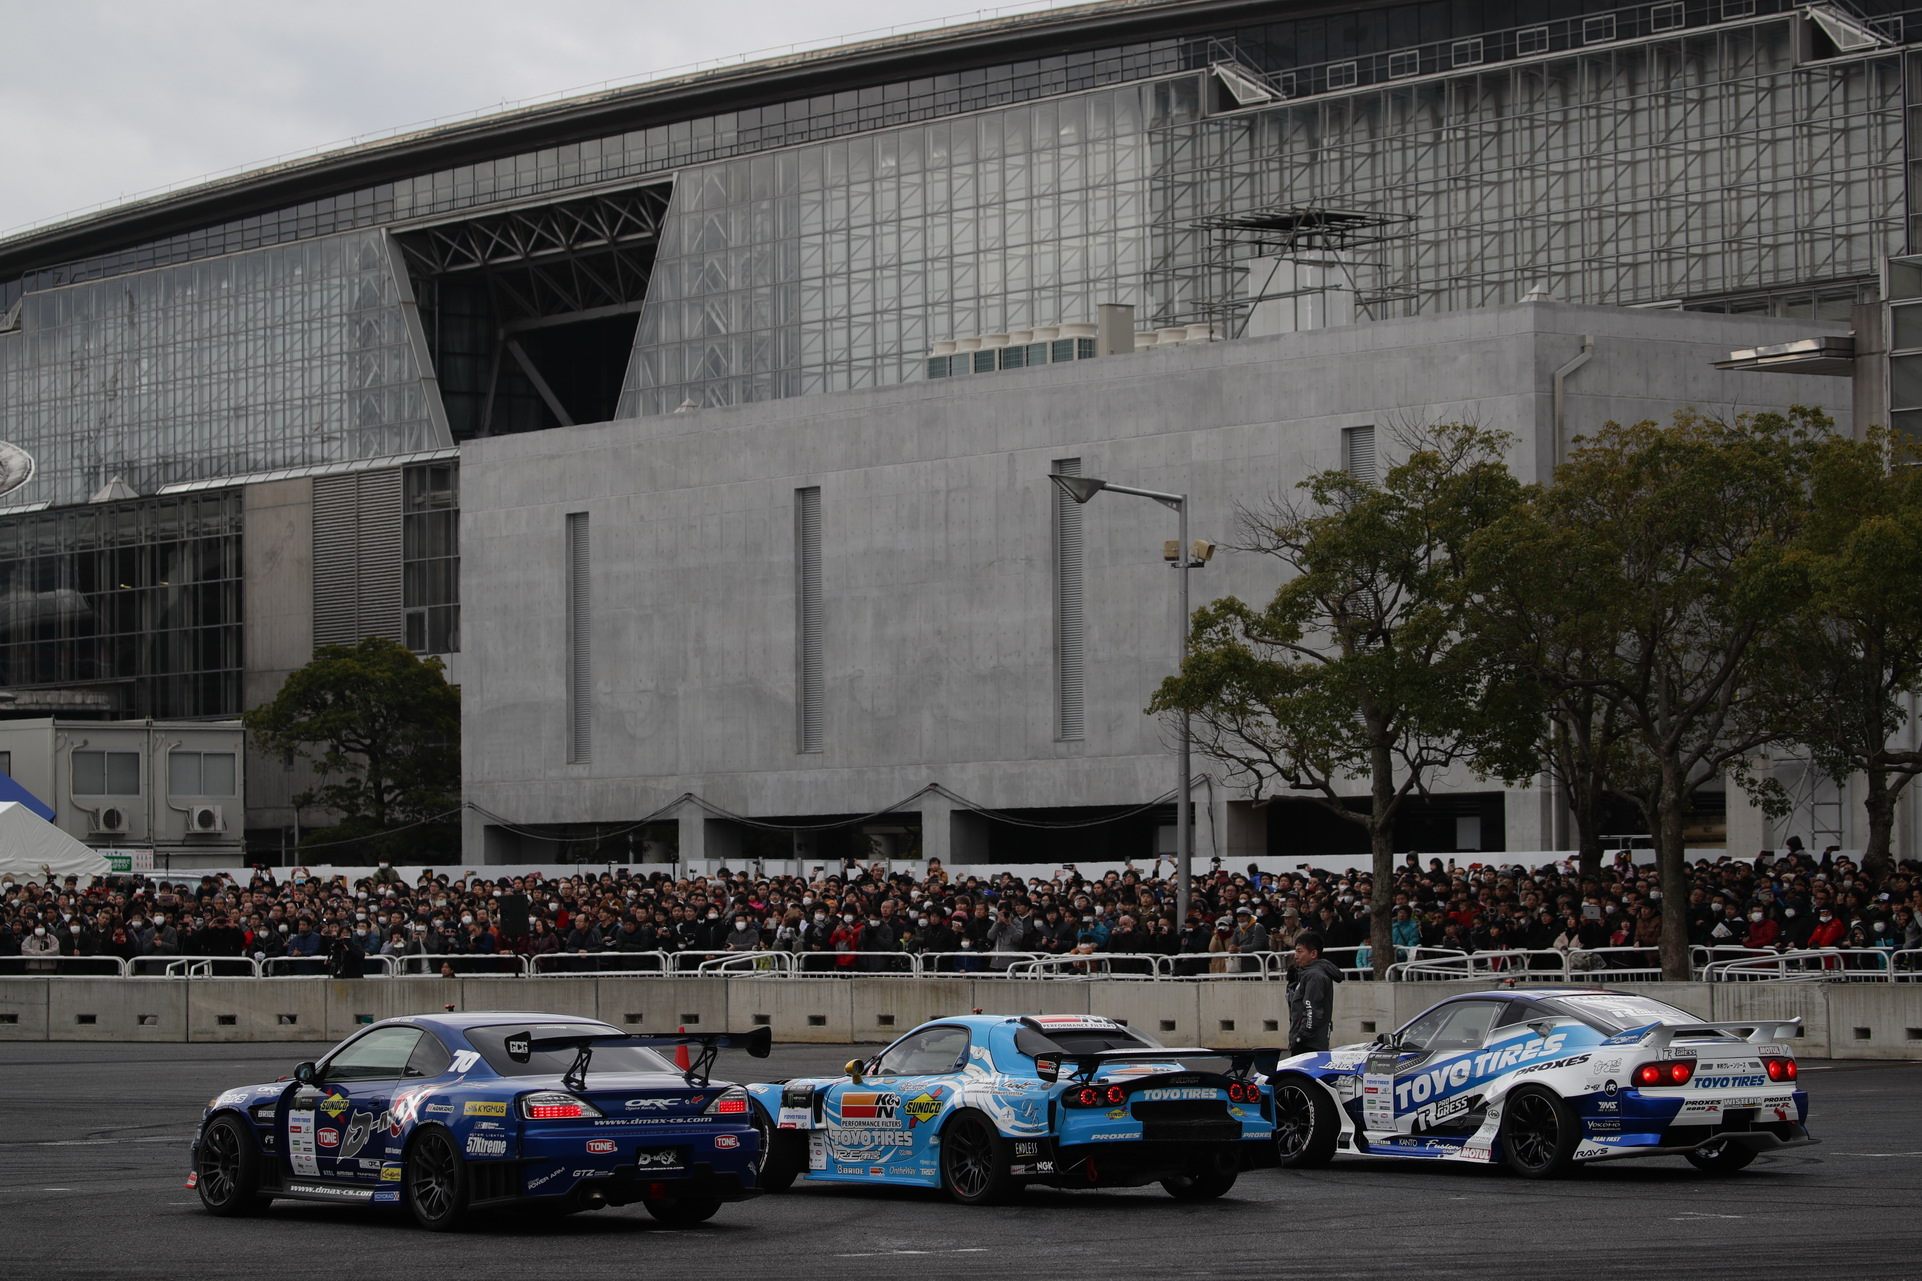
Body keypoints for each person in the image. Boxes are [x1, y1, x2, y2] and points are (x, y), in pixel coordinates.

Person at [1286, 930, 1343, 1056]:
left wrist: (1300, 1038)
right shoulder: (1306, 974)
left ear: (1313, 954)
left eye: (1300, 951)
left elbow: (1312, 1010)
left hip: (1310, 1045)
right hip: (1308, 1042)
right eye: (1296, 951)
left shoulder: (1314, 976)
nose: (1296, 956)